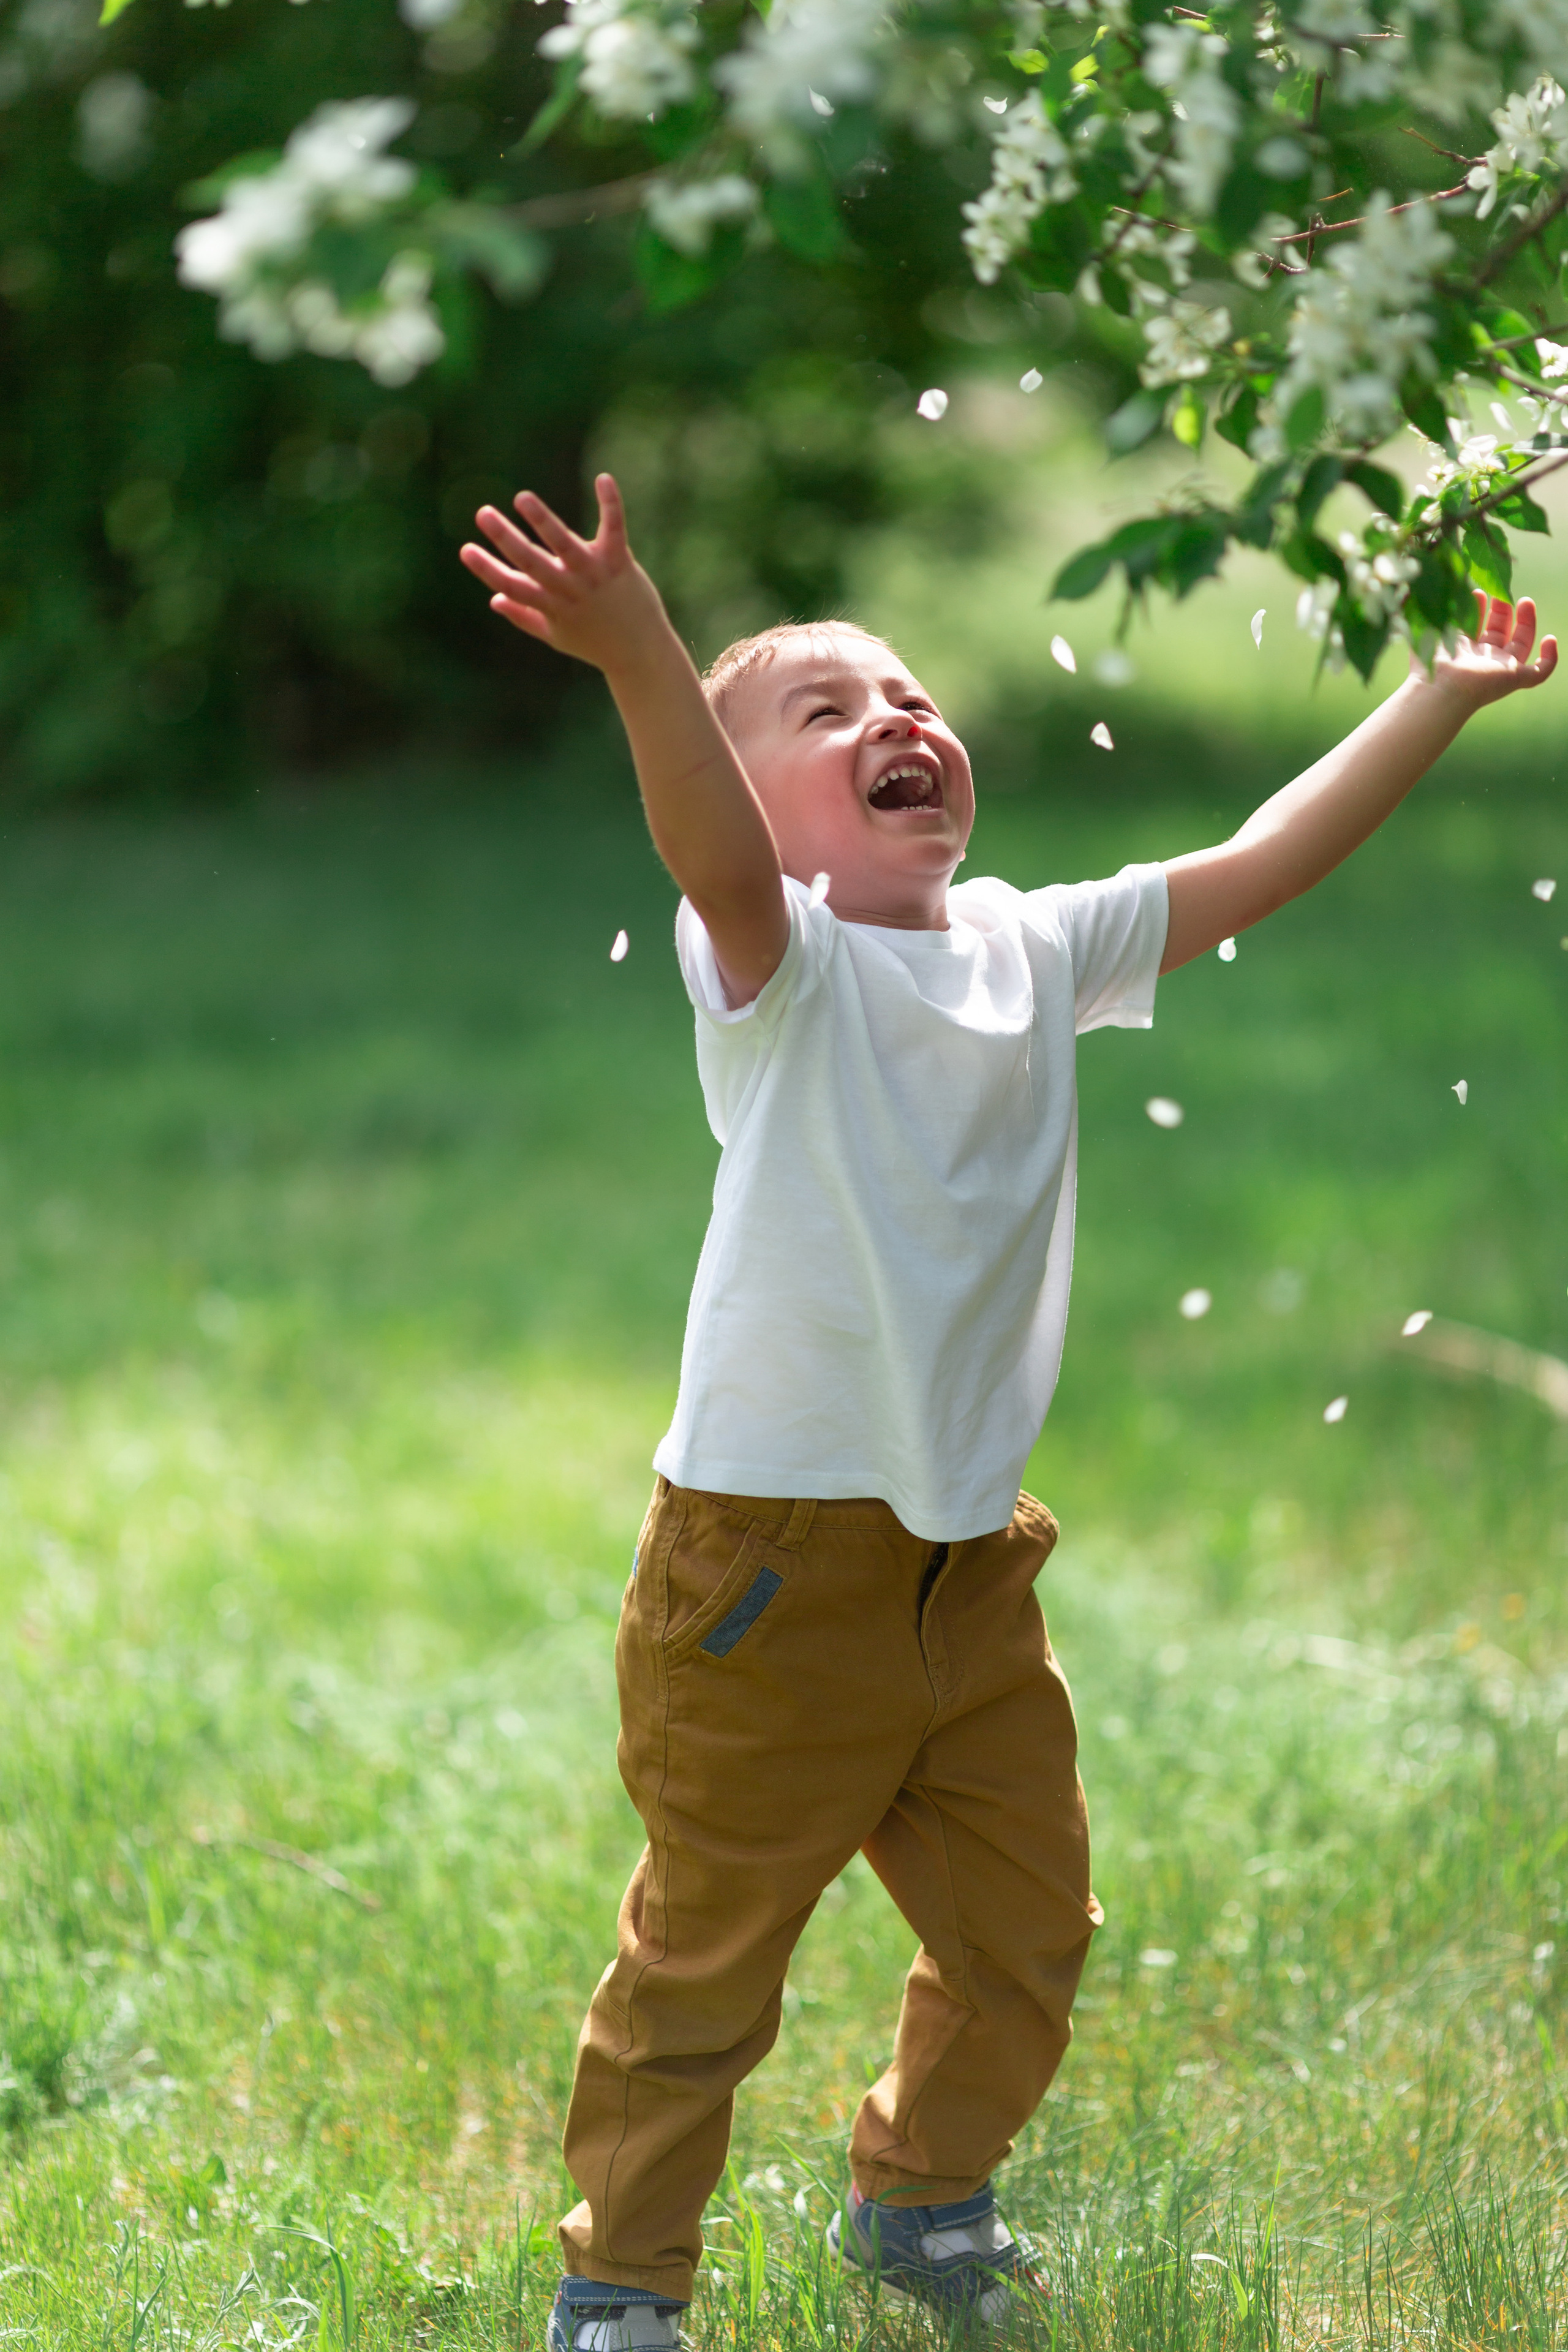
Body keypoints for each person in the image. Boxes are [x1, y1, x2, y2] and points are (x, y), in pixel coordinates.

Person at [460, 478, 1555, 2350]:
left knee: (1028, 1933)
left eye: (909, 694)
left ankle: (921, 2192)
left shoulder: (1036, 949)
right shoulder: (780, 970)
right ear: (769, 822)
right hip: (766, 1569)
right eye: (828, 713)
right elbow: (709, 840)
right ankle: (622, 2287)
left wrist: (1439, 696)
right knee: (707, 1965)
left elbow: (1269, 854)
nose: (895, 718)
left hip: (967, 1563)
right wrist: (640, 638)